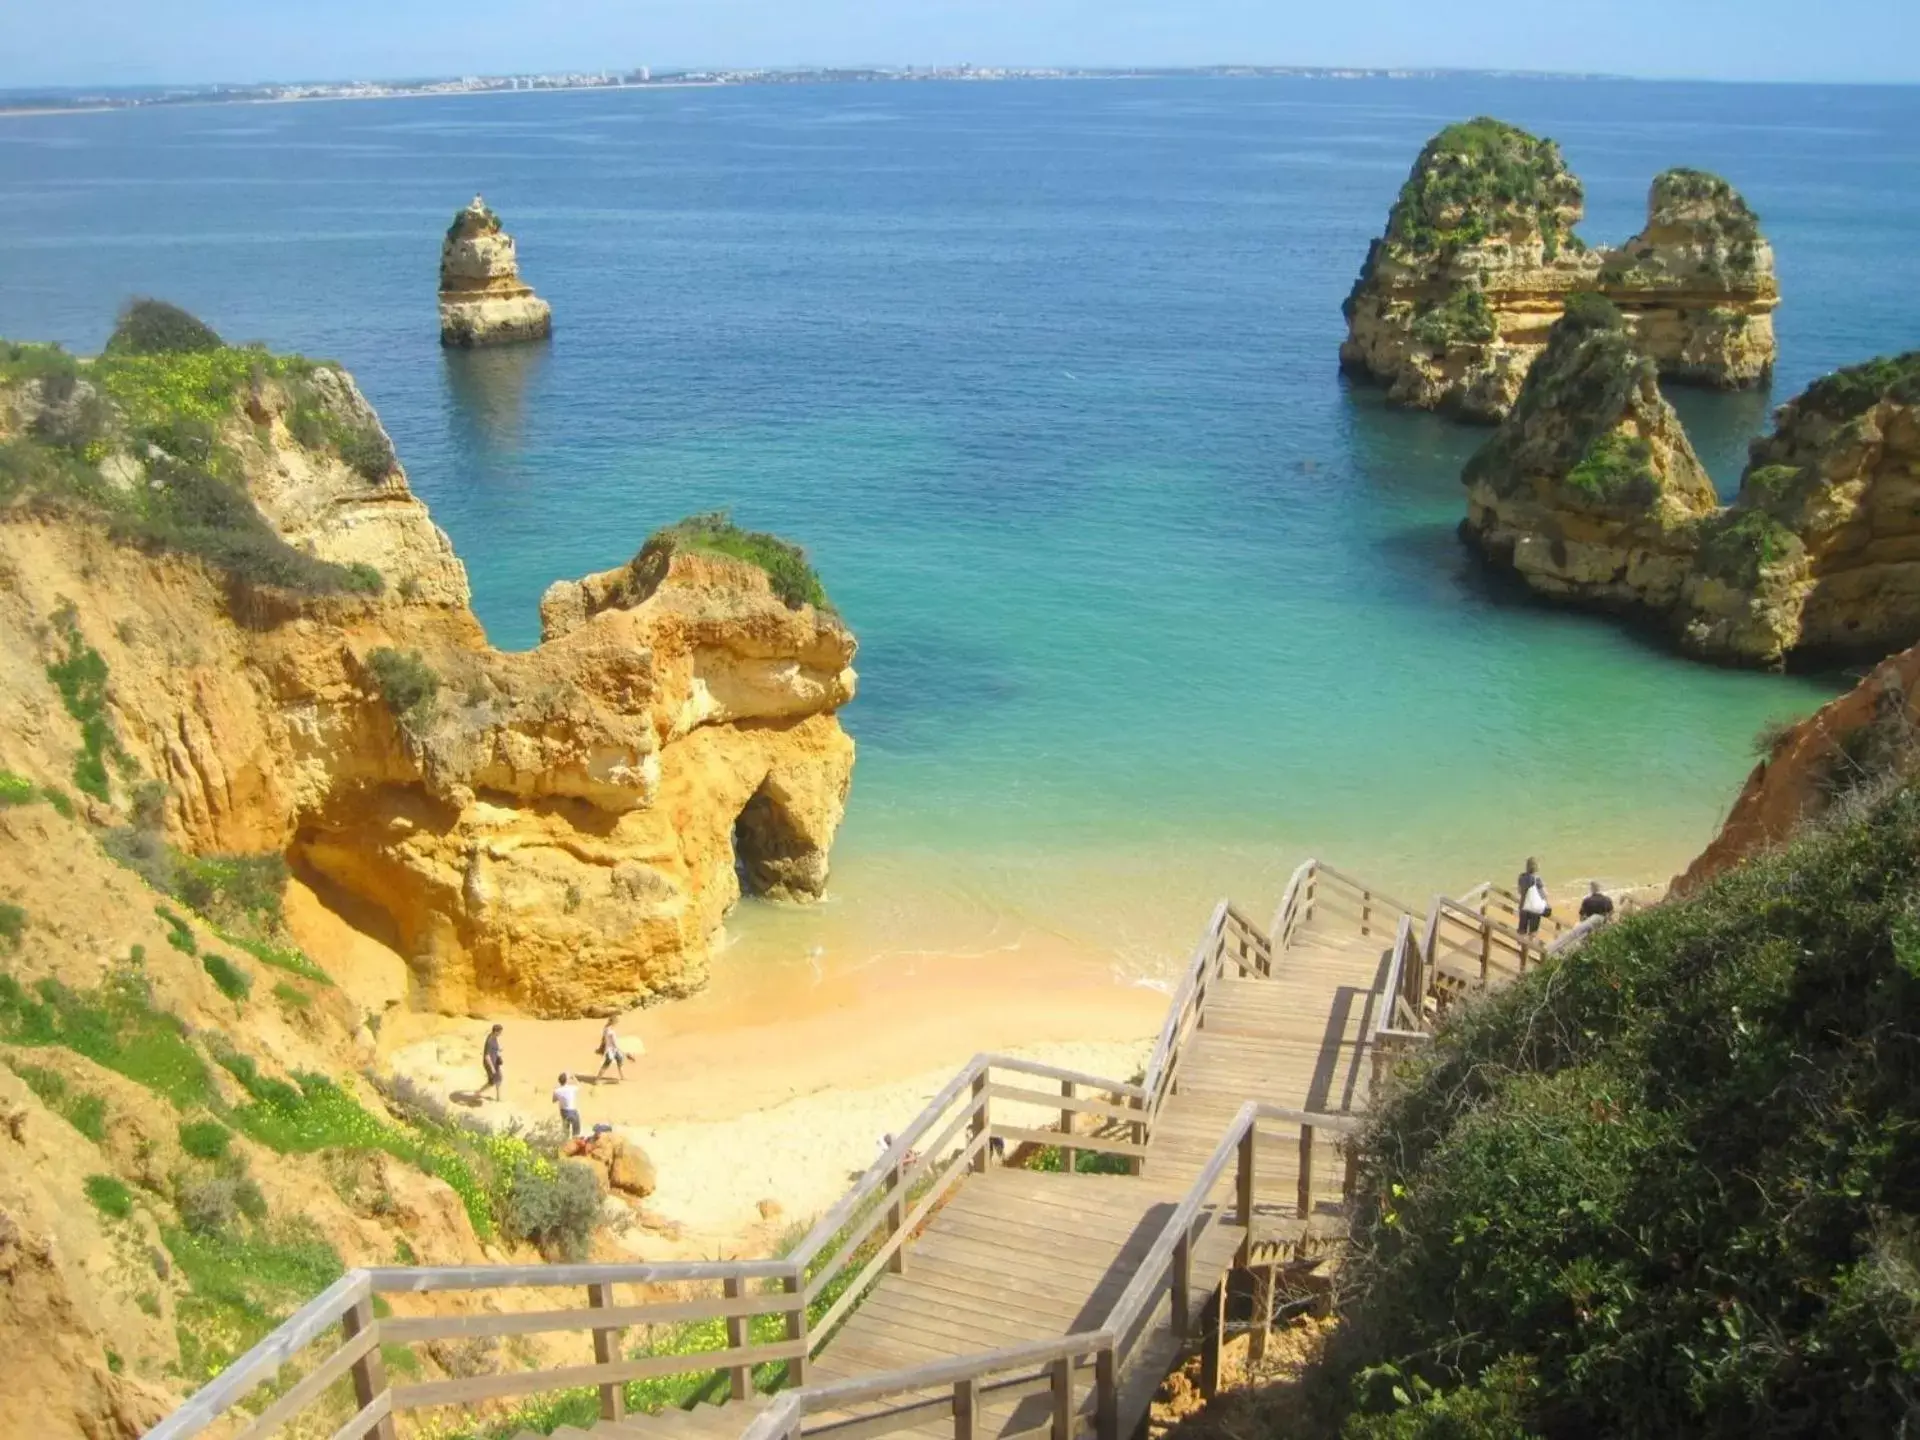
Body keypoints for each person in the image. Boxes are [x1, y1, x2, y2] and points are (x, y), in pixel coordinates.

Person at [1516, 857, 1550, 937]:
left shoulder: (1521, 877)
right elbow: (1544, 894)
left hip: (1523, 906)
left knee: (1522, 931)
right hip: (1534, 908)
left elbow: (1520, 891)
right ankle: (1530, 947)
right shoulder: (1537, 879)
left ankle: (1522, 947)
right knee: (1533, 932)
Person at [553, 1072, 582, 1139]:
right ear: (566, 1081)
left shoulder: (557, 1090)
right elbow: (579, 1086)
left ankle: (565, 1144)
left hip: (563, 1112)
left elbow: (554, 1100)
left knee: (565, 1131)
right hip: (572, 1111)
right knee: (576, 1132)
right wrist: (574, 1078)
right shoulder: (572, 1088)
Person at [482, 1023, 504, 1103]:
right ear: (496, 1032)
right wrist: (492, 1068)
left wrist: (498, 1050)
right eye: (500, 1032)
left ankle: (499, 1098)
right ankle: (478, 1093)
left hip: (495, 1062)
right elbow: (487, 1056)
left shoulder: (493, 1036)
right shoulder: (489, 1041)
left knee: (499, 1078)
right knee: (491, 1082)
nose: (501, 1034)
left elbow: (494, 1048)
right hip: (489, 1064)